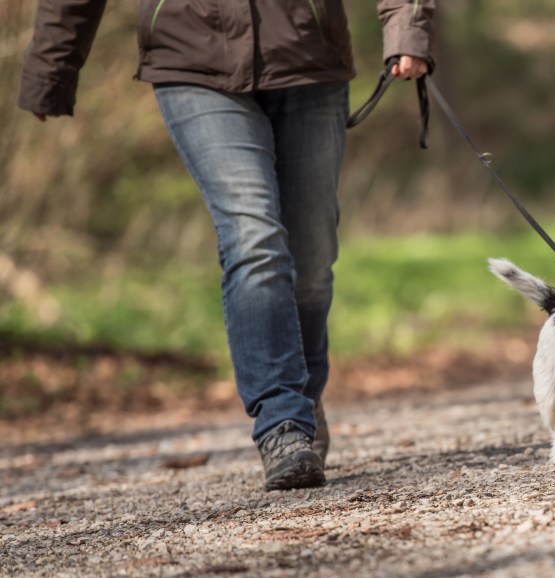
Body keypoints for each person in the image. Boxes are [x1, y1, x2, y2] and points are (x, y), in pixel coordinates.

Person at [18, 0, 435, 491]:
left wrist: (407, 28)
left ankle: (301, 390)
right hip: (191, 59)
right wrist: (52, 66)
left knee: (312, 258)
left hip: (307, 53)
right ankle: (282, 422)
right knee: (253, 234)